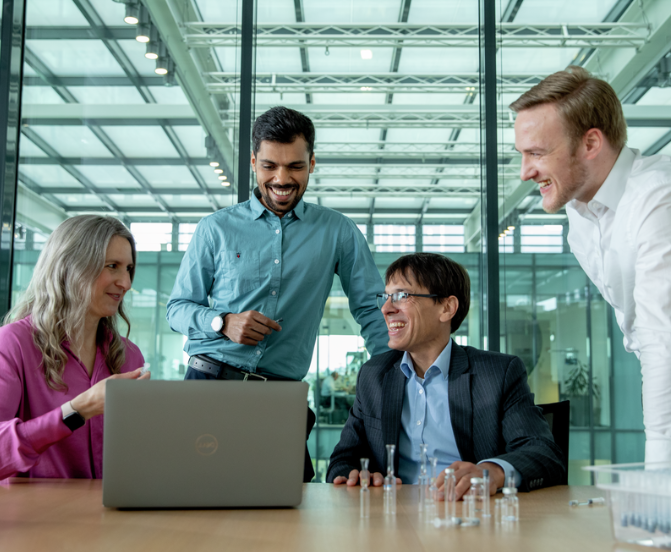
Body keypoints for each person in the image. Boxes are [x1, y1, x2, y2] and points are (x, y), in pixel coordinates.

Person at [166, 106, 389, 481]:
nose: (281, 178)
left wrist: (395, 373)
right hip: (209, 385)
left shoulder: (338, 232)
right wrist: (221, 322)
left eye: (295, 167)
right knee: (195, 502)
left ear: (312, 163)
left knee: (290, 510)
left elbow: (370, 307)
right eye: (269, 166)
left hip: (279, 398)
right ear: (253, 162)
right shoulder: (215, 229)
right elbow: (177, 310)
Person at [511, 66, 671, 463]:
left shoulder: (658, 198)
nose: (525, 171)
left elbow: (660, 335)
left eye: (537, 153)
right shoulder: (580, 214)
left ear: (591, 143)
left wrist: (659, 467)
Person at [327, 253, 565, 498]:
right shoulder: (374, 375)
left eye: (401, 296)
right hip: (391, 518)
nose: (386, 308)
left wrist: (492, 472)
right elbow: (343, 459)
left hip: (470, 516)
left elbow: (543, 453)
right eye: (386, 297)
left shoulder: (497, 374)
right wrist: (354, 473)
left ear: (447, 308)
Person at [0, 215, 149, 483]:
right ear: (70, 267)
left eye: (128, 269)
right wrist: (77, 410)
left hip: (110, 516)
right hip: (37, 517)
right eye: (112, 266)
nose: (126, 283)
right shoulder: (12, 344)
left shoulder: (129, 356)